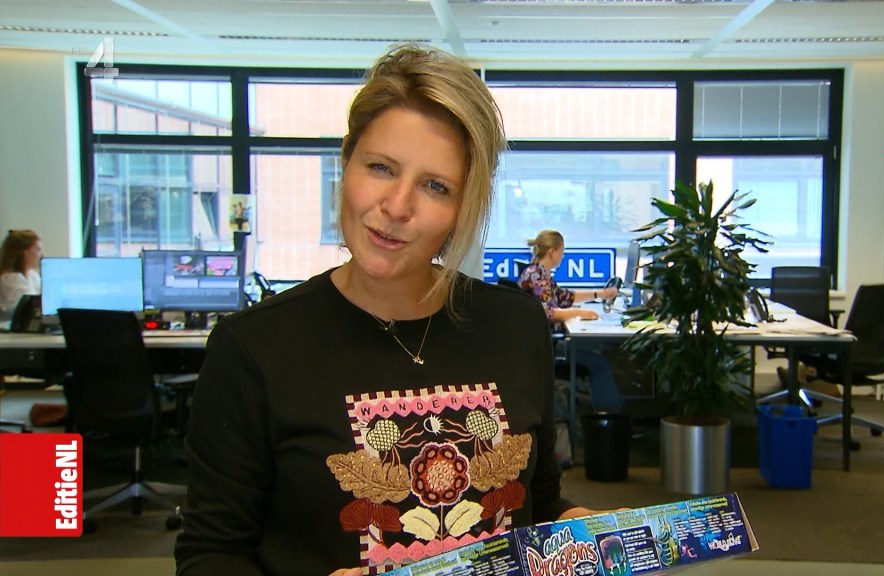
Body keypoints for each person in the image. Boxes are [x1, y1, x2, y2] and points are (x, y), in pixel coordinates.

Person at [175, 44, 602, 576]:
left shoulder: (516, 326)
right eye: (380, 167)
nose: (397, 207)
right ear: (346, 162)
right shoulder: (254, 347)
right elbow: (209, 555)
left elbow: (537, 502)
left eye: (435, 186)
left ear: (462, 208)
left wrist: (579, 527)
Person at [518, 229, 623, 413]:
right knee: (600, 363)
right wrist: (580, 313)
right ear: (552, 251)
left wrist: (601, 294)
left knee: (595, 353)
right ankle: (608, 417)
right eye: (562, 251)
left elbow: (564, 297)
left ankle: (604, 412)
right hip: (548, 348)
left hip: (548, 343)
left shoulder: (540, 274)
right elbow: (548, 314)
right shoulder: (535, 276)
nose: (563, 256)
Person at [0, 229, 43, 325]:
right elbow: (30, 309)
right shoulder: (9, 279)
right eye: (38, 249)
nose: (41, 254)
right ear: (24, 252)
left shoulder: (33, 276)